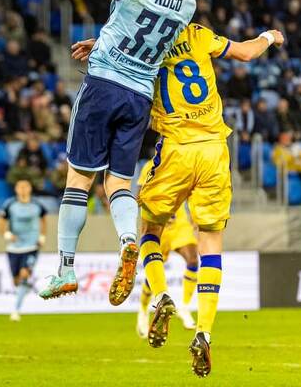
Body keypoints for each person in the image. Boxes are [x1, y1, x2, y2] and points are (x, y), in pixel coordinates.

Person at [0, 0, 197, 307]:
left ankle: (65, 269)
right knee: (119, 183)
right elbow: (151, 40)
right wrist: (104, 39)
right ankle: (129, 242)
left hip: (103, 87)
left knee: (78, 181)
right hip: (140, 98)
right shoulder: (188, 3)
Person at [72, 23, 284, 377]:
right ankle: (204, 331)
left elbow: (120, 55)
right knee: (211, 240)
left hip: (175, 149)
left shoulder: (145, 45)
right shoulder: (200, 35)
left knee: (149, 229)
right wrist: (268, 37)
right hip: (214, 150)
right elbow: (247, 53)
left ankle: (160, 295)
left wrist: (101, 42)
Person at [134, 167, 198, 338]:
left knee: (193, 259)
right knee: (154, 273)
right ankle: (143, 310)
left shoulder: (182, 158)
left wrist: (194, 216)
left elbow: (192, 191)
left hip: (179, 225)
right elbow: (139, 195)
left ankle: (184, 306)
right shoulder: (149, 166)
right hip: (158, 224)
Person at [0, 179, 47, 322]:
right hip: (14, 248)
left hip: (31, 246)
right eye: (20, 187)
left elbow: (44, 219)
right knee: (16, 281)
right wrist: (7, 234)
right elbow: (1, 224)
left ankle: (15, 310)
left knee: (24, 273)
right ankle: (24, 287)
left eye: (26, 186)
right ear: (16, 189)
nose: (23, 189)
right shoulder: (10, 205)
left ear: (30, 189)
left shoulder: (37, 205)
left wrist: (42, 236)